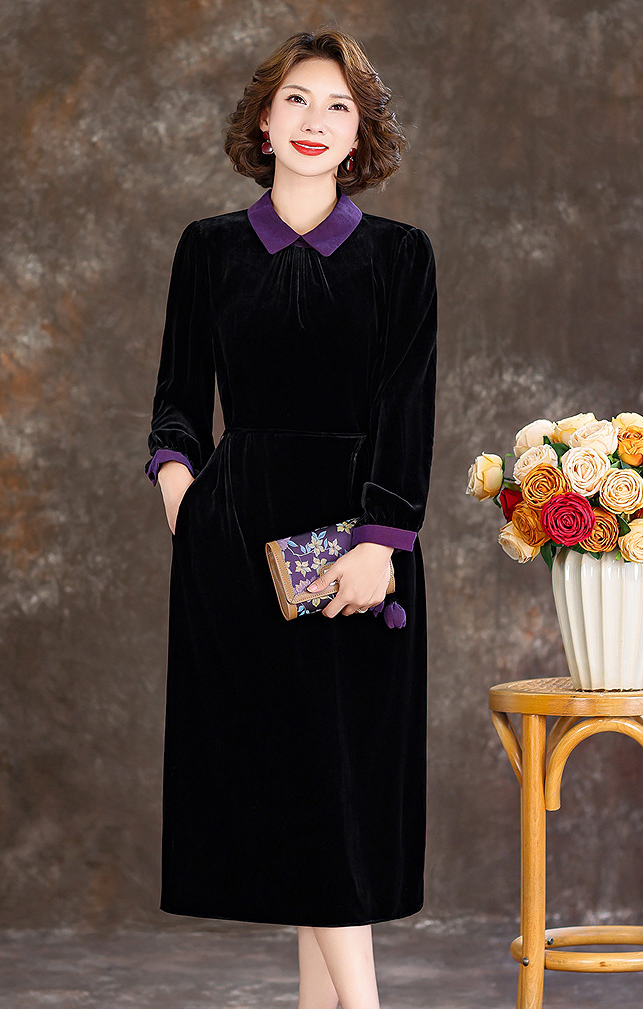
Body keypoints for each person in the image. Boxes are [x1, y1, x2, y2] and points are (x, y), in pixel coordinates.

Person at [144, 26, 438, 1009]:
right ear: (264, 122)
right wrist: (186, 503)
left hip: (359, 549)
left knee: (337, 797)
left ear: (360, 136)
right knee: (293, 795)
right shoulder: (209, 249)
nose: (316, 121)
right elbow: (178, 404)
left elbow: (407, 412)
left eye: (338, 106)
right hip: (234, 548)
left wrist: (381, 541)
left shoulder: (401, 257)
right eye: (298, 100)